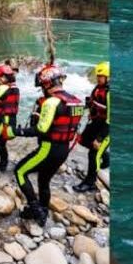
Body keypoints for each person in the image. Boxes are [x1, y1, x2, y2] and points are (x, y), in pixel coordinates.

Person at [12, 64, 84, 226]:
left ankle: (36, 209)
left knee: (20, 171)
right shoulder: (75, 101)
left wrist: (16, 132)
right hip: (63, 150)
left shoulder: (51, 102)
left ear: (47, 84)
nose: (42, 90)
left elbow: (41, 130)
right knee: (44, 181)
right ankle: (44, 210)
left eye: (42, 86)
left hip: (48, 148)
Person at [73, 61, 110, 193]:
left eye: (101, 76)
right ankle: (106, 157)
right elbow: (93, 103)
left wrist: (99, 139)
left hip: (106, 128)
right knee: (83, 141)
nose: (98, 78)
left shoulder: (110, 93)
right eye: (98, 76)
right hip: (96, 122)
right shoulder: (98, 88)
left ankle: (90, 182)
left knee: (93, 154)